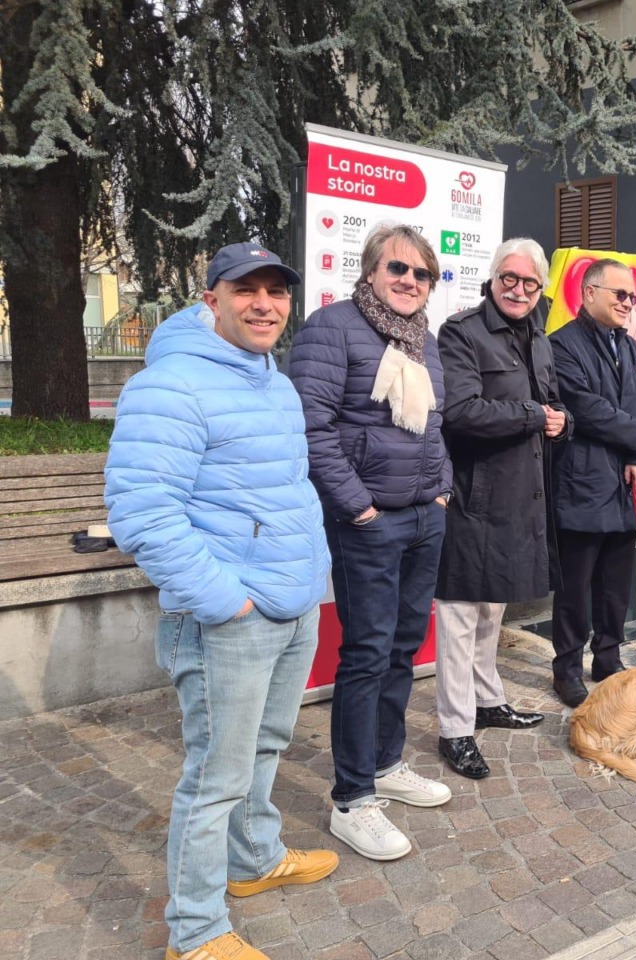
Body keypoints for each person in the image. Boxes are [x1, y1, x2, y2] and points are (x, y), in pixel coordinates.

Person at [106, 243, 337, 960]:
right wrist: (224, 601)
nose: (264, 303)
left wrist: (309, 581)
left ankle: (254, 860)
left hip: (289, 606)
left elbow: (286, 490)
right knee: (214, 778)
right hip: (229, 618)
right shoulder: (171, 385)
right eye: (246, 290)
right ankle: (196, 932)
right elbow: (142, 513)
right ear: (210, 300)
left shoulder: (273, 380)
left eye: (276, 290)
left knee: (266, 747)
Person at [289, 225, 453, 861]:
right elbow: (313, 428)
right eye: (398, 268)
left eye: (421, 274)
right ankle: (352, 798)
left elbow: (433, 426)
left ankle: (385, 763)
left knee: (403, 649)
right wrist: (358, 506)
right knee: (365, 653)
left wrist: (440, 490)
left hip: (423, 518)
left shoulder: (422, 341)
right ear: (371, 270)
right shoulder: (333, 328)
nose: (409, 280)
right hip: (371, 523)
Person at [433, 238, 570, 778]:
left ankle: (488, 702)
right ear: (492, 280)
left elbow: (553, 402)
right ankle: (454, 729)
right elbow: (461, 412)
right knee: (461, 616)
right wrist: (536, 416)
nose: (518, 289)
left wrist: (562, 420)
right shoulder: (462, 333)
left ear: (540, 289)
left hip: (522, 496)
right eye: (508, 279)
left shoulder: (539, 337)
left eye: (529, 282)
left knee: (494, 610)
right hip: (474, 497)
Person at [549, 258, 636, 707]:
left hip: (626, 490)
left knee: (616, 586)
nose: (627, 302)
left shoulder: (633, 347)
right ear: (589, 293)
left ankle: (607, 657)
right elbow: (586, 406)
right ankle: (566, 667)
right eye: (619, 294)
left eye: (632, 297)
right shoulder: (561, 345)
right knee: (575, 586)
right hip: (583, 488)